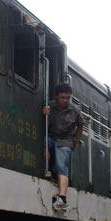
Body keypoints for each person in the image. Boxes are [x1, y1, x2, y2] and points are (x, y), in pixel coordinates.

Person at [42, 83, 84, 211]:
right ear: (56, 97)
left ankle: (62, 199)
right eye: (62, 97)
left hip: (65, 140)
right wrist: (46, 115)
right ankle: (46, 171)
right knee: (42, 147)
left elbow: (81, 126)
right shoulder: (50, 105)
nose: (65, 100)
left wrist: (75, 142)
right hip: (50, 136)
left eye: (68, 98)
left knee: (62, 166)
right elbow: (46, 125)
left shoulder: (75, 111)